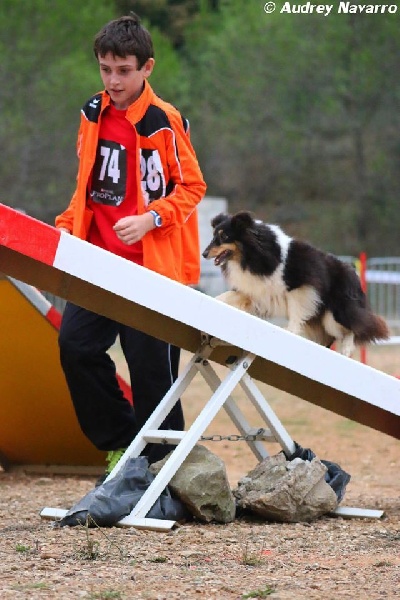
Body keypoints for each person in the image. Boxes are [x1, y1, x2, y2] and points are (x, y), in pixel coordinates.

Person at [55, 13, 206, 477]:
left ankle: (168, 474)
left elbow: (192, 186)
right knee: (76, 348)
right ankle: (123, 448)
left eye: (124, 70)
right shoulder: (91, 112)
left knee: (152, 376)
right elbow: (87, 184)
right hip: (98, 262)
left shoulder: (164, 121)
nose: (114, 79)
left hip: (153, 269)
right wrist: (66, 224)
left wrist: (150, 219)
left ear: (147, 68)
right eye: (106, 68)